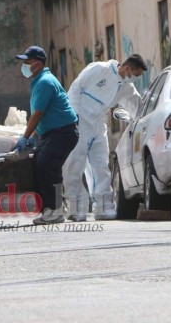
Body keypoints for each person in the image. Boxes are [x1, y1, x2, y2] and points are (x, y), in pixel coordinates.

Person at [63, 54, 147, 221]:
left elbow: (138, 107)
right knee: (75, 164)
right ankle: (76, 208)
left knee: (101, 166)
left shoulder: (126, 87)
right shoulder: (99, 69)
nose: (135, 79)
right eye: (136, 75)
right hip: (80, 120)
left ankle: (103, 208)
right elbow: (75, 88)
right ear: (128, 68)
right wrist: (73, 117)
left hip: (99, 124)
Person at [13, 46, 79, 225]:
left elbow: (37, 114)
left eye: (28, 62)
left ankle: (55, 210)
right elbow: (41, 115)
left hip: (63, 132)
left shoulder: (45, 82)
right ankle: (50, 209)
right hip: (52, 133)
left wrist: (25, 137)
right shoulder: (38, 81)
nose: (24, 65)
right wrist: (35, 135)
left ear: (38, 63)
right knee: (39, 166)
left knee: (47, 166)